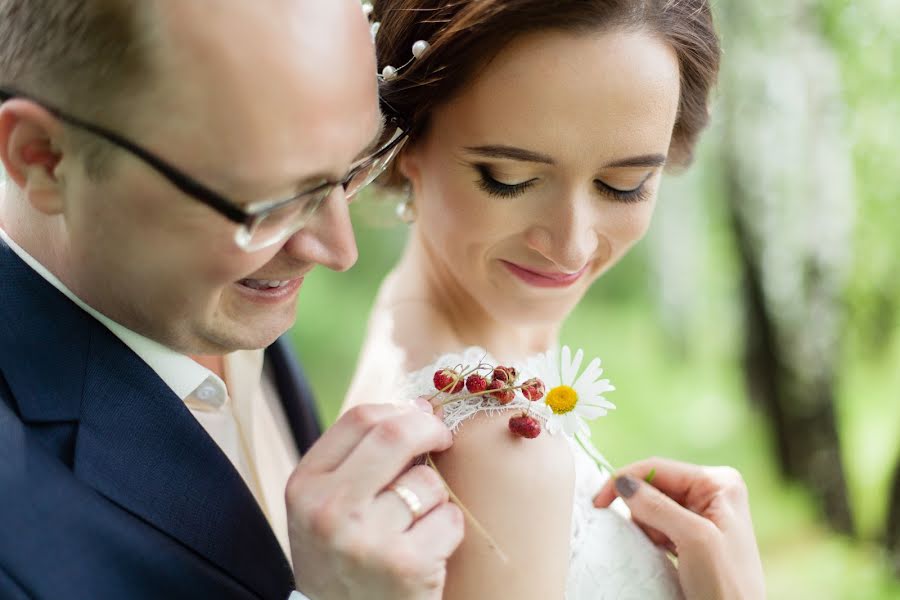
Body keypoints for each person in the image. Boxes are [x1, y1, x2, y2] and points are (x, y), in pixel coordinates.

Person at [0, 1, 462, 599]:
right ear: (44, 158)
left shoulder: (192, 287)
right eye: (267, 203)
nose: (336, 249)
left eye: (352, 168)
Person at [345, 0, 766, 598]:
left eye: (624, 185)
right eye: (508, 179)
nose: (571, 246)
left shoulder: (407, 313)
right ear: (405, 135)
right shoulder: (493, 439)